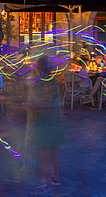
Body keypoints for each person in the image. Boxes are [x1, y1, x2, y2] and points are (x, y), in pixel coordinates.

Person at [25, 55, 65, 194]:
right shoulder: (53, 80)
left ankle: (46, 181)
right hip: (56, 120)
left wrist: (34, 106)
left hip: (46, 121)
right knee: (53, 151)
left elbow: (47, 103)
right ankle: (56, 177)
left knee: (44, 153)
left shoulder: (45, 83)